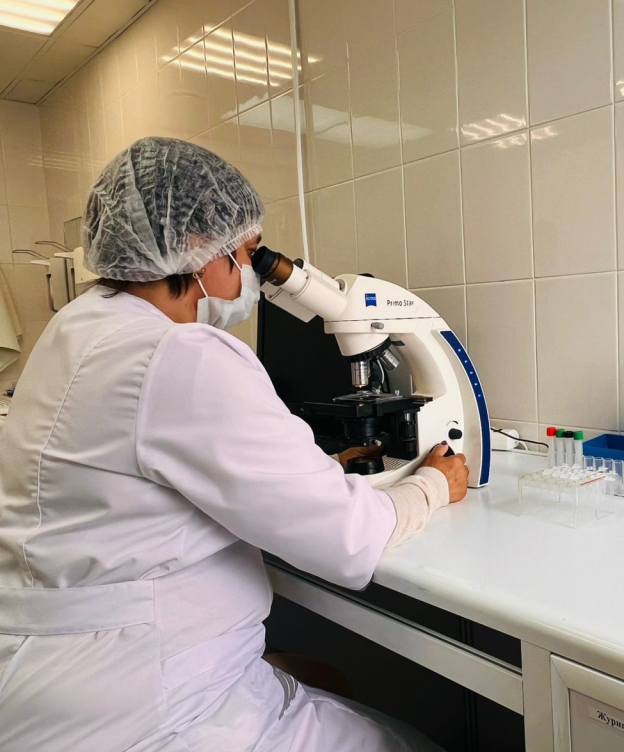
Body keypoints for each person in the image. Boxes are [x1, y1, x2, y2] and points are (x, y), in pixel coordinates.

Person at [0, 137, 468, 752]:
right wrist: (433, 485)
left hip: (54, 676)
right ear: (198, 248)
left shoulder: (76, 327)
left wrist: (314, 470)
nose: (251, 273)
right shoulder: (178, 353)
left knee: (326, 679)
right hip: (148, 701)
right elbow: (348, 538)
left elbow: (139, 475)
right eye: (247, 254)